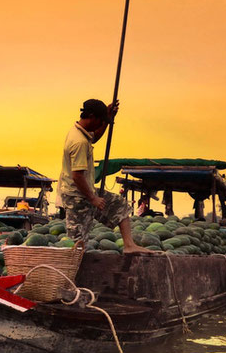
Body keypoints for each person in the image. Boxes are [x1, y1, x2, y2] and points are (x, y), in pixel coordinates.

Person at [59, 98, 155, 255]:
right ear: (92, 117)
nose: (101, 124)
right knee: (77, 244)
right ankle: (69, 272)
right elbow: (77, 176)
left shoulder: (80, 132)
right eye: (100, 120)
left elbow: (95, 136)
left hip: (85, 191)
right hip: (77, 196)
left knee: (120, 205)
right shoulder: (79, 142)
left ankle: (129, 245)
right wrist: (93, 199)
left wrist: (108, 118)